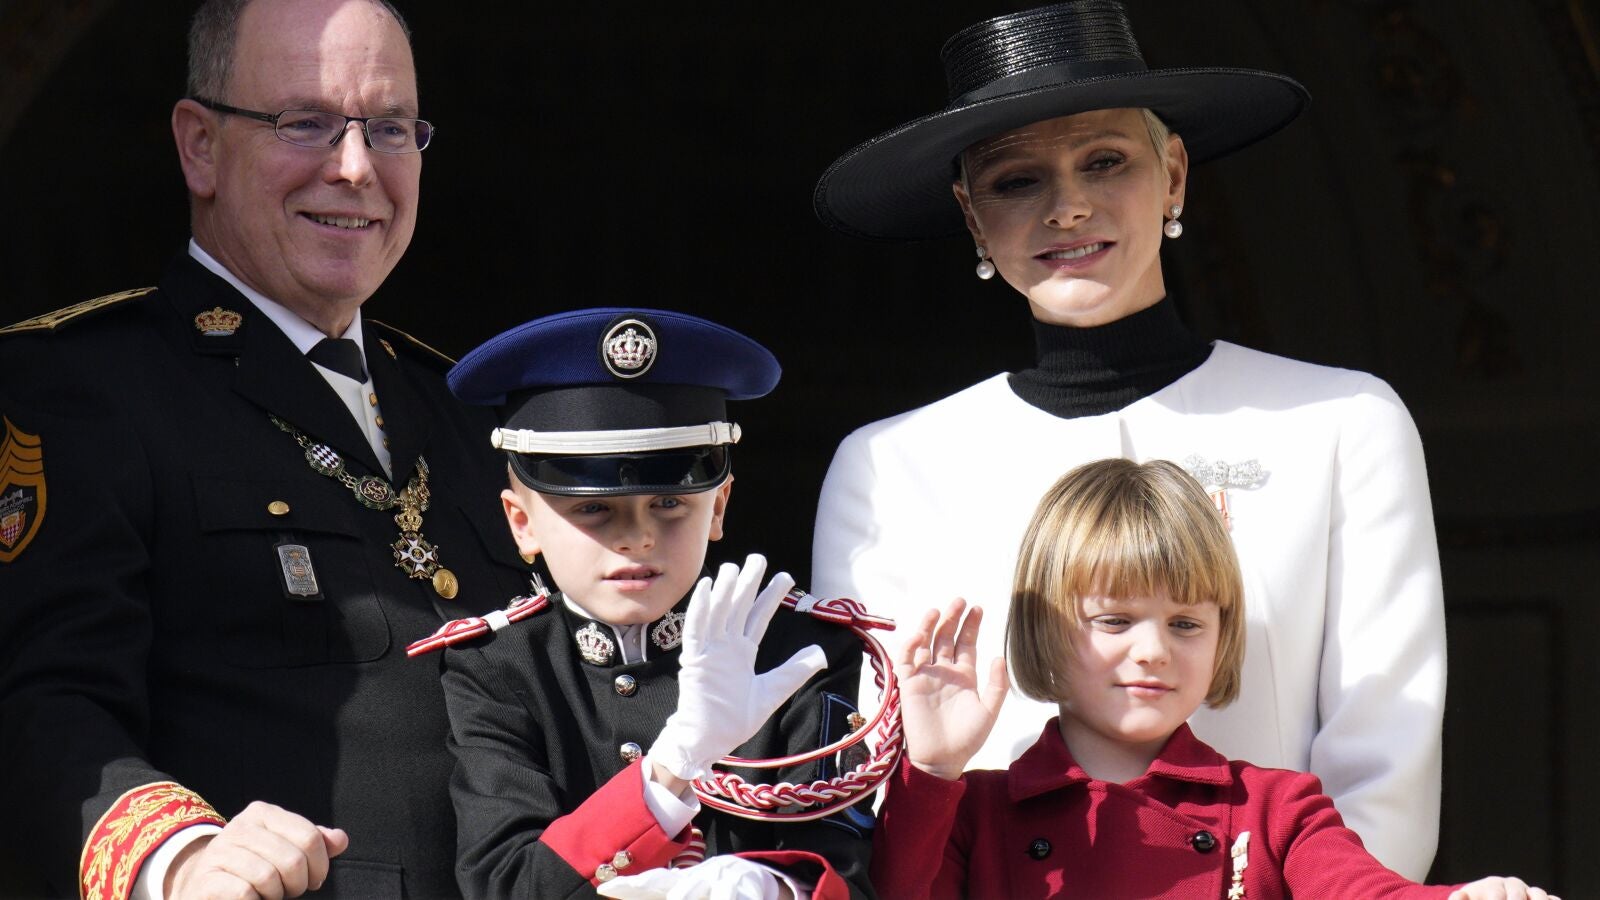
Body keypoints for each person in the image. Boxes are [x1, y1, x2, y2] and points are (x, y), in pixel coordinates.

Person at [809, 0, 1445, 878]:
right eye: (1016, 181)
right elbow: (880, 778)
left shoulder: (1341, 423)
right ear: (971, 214)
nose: (1068, 207)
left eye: (1105, 162)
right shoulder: (888, 467)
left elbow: (1387, 760)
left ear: (1173, 173)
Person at [0, 1, 530, 897]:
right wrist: (178, 859)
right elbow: (38, 704)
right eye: (305, 122)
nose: (356, 167)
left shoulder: (466, 410)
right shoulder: (82, 387)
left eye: (390, 128)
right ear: (200, 146)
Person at [871, 458, 1551, 899]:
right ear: (1045, 627)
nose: (1153, 651)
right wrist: (931, 769)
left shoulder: (1276, 807)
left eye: (1186, 624)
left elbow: (1365, 893)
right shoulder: (975, 812)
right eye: (1115, 621)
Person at [411, 308, 875, 899]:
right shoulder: (498, 667)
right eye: (593, 508)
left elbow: (845, 873)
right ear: (522, 523)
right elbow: (505, 884)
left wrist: (769, 888)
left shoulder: (796, 651)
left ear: (718, 507)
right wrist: (672, 765)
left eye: (669, 503)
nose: (636, 537)